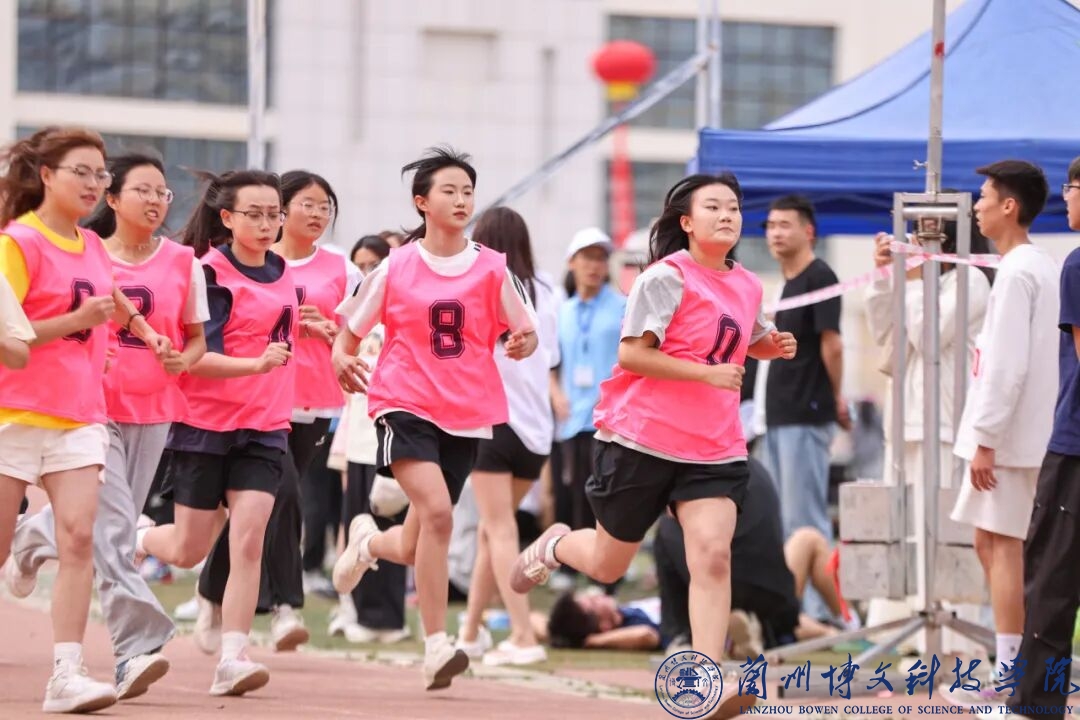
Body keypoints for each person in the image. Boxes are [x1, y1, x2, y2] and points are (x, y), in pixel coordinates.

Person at [510, 172, 797, 720]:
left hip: (713, 447)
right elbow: (633, 356)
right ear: (686, 222)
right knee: (607, 565)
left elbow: (742, 340)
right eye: (713, 207)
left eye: (734, 208)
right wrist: (706, 374)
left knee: (712, 556)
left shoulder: (746, 284)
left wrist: (772, 345)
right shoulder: (665, 277)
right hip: (642, 440)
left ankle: (707, 680)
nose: (727, 215)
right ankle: (556, 545)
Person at [330, 147, 538, 691]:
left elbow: (526, 330)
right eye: (449, 191)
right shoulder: (396, 265)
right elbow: (348, 333)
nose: (461, 200)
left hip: (466, 411)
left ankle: (368, 542)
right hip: (405, 402)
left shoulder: (493, 267)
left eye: (468, 191)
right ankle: (437, 645)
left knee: (413, 541)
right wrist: (340, 359)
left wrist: (523, 342)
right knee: (440, 515)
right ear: (422, 202)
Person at [5, 151, 209, 701]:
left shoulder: (174, 260)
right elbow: (23, 333)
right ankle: (135, 649)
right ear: (113, 199)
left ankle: (33, 542)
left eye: (162, 192)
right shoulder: (51, 246)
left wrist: (163, 346)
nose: (155, 200)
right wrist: (85, 328)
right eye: (143, 189)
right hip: (77, 409)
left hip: (142, 410)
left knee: (93, 528)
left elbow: (187, 337)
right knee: (112, 532)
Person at [135, 169, 298, 697]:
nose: (267, 224)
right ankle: (136, 538)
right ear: (227, 218)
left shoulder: (283, 270)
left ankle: (233, 657)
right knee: (188, 550)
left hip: (265, 426)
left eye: (274, 214)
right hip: (205, 425)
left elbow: (276, 332)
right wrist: (255, 365)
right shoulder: (207, 273)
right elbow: (196, 360)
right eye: (255, 214)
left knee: (249, 539)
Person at [192, 170, 359, 653]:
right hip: (260, 403)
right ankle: (285, 606)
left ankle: (212, 592)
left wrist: (329, 333)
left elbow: (356, 329)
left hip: (316, 401)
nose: (318, 213)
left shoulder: (341, 267)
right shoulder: (254, 265)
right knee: (282, 494)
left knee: (262, 508)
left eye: (325, 206)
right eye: (308, 203)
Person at [945, 160, 1058, 706]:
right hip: (1024, 433)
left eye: (985, 196)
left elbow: (1005, 366)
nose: (977, 205)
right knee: (994, 543)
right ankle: (1015, 668)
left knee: (1003, 545)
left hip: (1012, 439)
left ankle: (1013, 676)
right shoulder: (1036, 266)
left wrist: (986, 439)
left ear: (1009, 206)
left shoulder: (1018, 272)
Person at [863, 204, 993, 656]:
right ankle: (910, 637)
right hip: (906, 421)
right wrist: (885, 275)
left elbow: (928, 335)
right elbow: (884, 329)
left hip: (947, 425)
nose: (915, 244)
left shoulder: (971, 280)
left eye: (924, 236)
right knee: (907, 529)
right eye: (915, 235)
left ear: (947, 240)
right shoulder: (921, 281)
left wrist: (915, 280)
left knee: (945, 533)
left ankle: (954, 641)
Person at [455, 207, 558, 667]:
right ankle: (470, 633)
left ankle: (522, 634)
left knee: (498, 530)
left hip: (494, 421)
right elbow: (550, 358)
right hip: (536, 432)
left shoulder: (482, 285)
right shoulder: (548, 291)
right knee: (491, 531)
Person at [1002, 157, 1080, 720]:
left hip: (1075, 446)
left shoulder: (1076, 262)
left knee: (1052, 576)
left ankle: (1035, 703)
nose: (1066, 198)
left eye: (1072, 188)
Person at [762, 194, 846, 622]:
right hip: (778, 416)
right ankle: (800, 603)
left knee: (807, 517)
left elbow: (833, 344)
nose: (775, 233)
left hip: (806, 413)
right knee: (782, 517)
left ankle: (825, 610)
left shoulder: (820, 276)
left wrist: (837, 397)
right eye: (770, 225)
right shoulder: (786, 285)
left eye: (785, 225)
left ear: (808, 231)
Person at [550, 227, 625, 591]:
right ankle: (569, 566)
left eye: (600, 258)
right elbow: (551, 361)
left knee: (605, 497)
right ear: (572, 262)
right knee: (569, 492)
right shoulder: (562, 311)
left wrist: (610, 391)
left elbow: (632, 360)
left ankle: (607, 575)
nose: (594, 266)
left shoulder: (622, 306)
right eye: (587, 258)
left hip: (608, 419)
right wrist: (554, 393)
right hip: (569, 419)